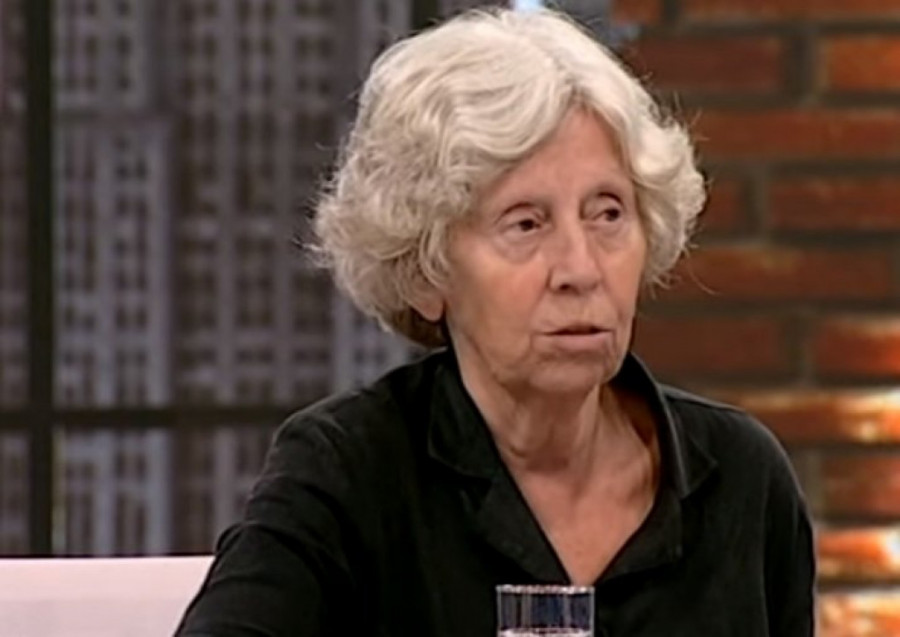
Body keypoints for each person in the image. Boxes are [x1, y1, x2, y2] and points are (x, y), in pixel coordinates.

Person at [176, 7, 815, 636]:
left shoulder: (741, 477)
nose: (580, 268)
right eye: (526, 224)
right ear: (426, 273)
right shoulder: (351, 470)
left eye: (608, 213)